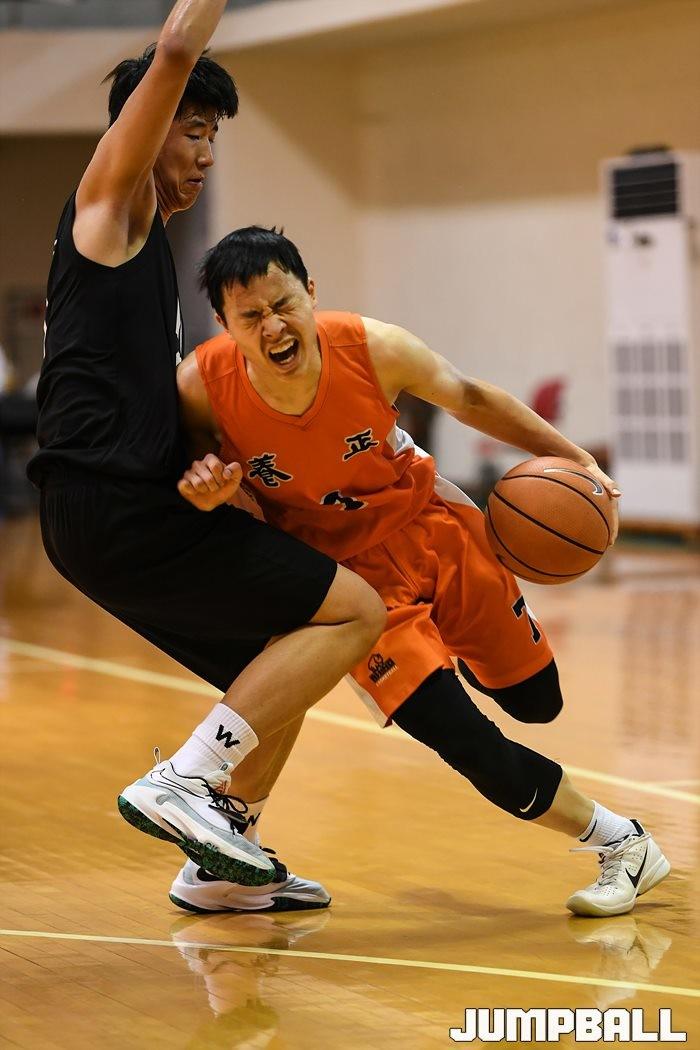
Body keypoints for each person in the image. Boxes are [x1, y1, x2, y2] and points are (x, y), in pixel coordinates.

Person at [175, 225, 670, 918]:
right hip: (349, 589)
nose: (273, 326)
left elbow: (471, 398)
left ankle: (459, 641)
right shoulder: (201, 387)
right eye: (250, 315)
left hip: (433, 527)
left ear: (310, 292)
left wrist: (577, 461)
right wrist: (207, 491)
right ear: (224, 324)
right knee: (466, 742)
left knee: (538, 702)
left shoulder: (373, 347)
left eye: (283, 304)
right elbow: (197, 471)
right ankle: (624, 842)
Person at [27, 2, 386, 903]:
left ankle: (223, 863)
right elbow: (179, 44)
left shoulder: (147, 246)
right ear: (144, 127)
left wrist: (202, 471)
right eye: (193, 130)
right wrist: (178, 54)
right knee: (354, 611)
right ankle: (188, 781)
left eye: (213, 136)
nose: (207, 154)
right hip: (104, 504)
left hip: (117, 505)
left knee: (280, 662)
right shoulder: (110, 207)